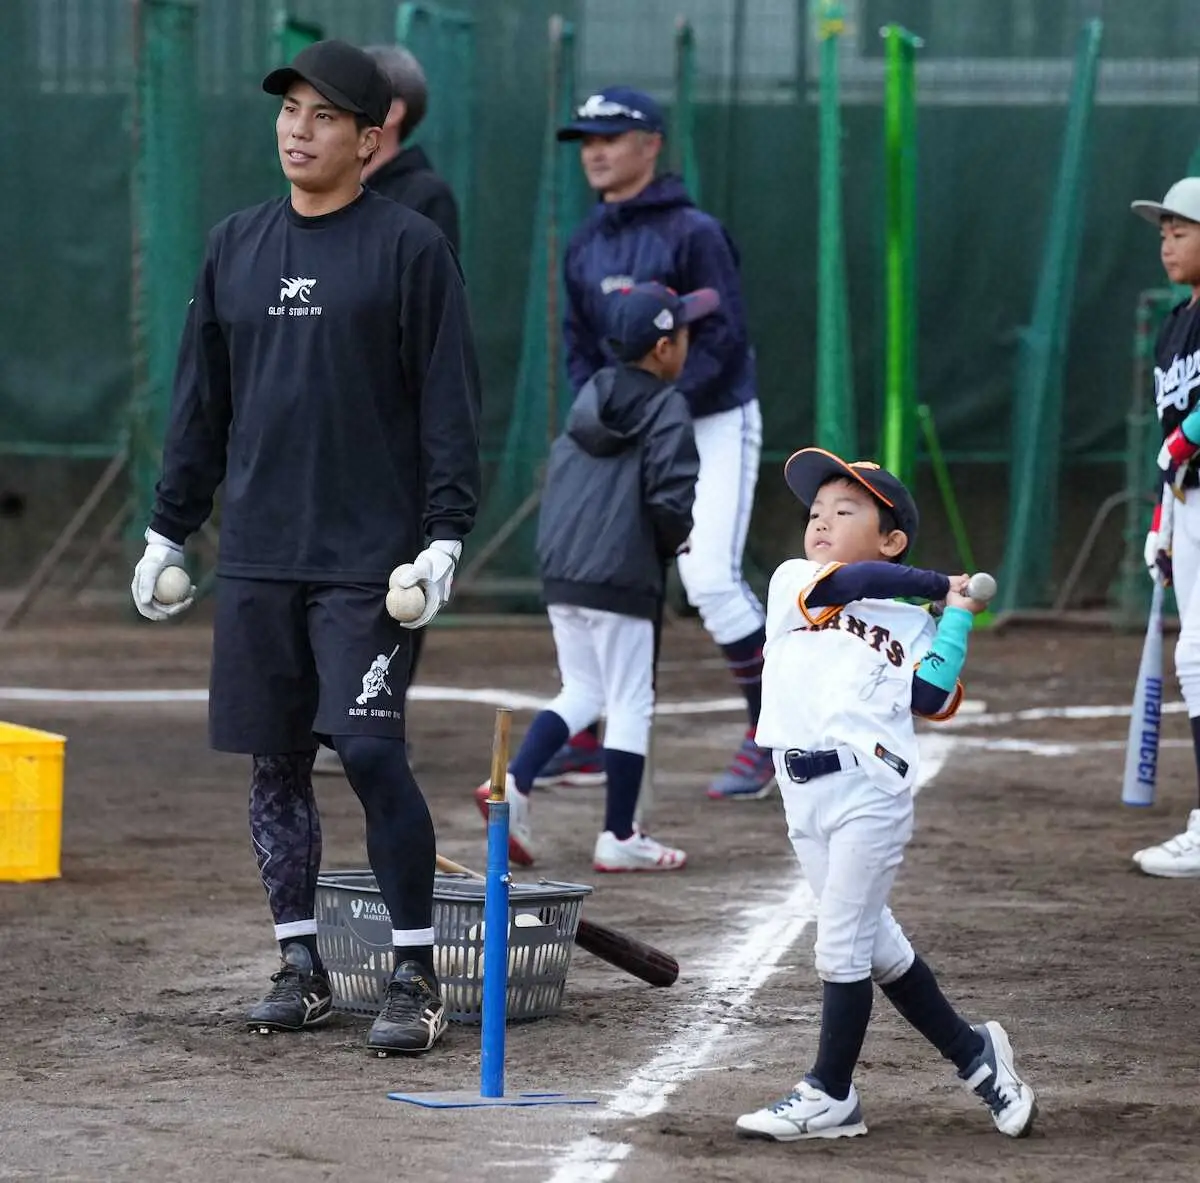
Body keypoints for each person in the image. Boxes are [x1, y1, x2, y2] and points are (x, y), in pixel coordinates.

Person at [128, 40, 482, 1056]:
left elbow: (449, 404)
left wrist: (446, 536)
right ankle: (302, 963)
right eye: (290, 109)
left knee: (368, 748)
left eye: (326, 116)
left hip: (371, 564)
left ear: (371, 140)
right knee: (274, 763)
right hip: (258, 557)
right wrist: (167, 525)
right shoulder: (235, 244)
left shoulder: (410, 248)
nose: (298, 127)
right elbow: (202, 403)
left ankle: (414, 974)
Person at [734, 449, 1036, 1142]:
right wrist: (942, 580)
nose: (821, 522)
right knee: (877, 949)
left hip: (870, 790)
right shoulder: (796, 581)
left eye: (845, 511)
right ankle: (975, 1054)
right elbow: (862, 577)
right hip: (800, 792)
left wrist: (952, 614)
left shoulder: (914, 625)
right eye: (815, 512)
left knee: (839, 945)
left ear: (892, 535)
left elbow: (932, 695)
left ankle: (830, 1092)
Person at [540, 86, 771, 801]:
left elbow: (723, 337)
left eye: (611, 137)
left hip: (711, 418)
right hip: (623, 429)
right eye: (587, 140)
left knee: (708, 580)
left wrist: (655, 408)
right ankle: (588, 731)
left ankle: (775, 732)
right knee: (612, 575)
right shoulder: (584, 242)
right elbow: (580, 344)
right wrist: (607, 414)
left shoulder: (694, 231)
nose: (597, 151)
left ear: (651, 144)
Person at [473, 282, 704, 870]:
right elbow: (671, 497)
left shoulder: (591, 397)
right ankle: (620, 835)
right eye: (681, 332)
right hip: (620, 574)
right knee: (630, 699)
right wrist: (671, 541)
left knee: (583, 690)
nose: (688, 341)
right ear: (660, 348)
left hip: (565, 572)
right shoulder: (666, 405)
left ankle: (515, 786)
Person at [311, 43, 462, 780]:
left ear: (388, 115)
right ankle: (322, 712)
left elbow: (428, 331)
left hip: (390, 431)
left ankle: (371, 712)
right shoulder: (318, 202)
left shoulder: (422, 197)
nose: (307, 127)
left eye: (335, 106)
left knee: (392, 582)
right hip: (323, 426)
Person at [1131, 177, 1200, 878]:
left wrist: (1187, 443)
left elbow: (1184, 434)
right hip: (1188, 508)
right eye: (1162, 232)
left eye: (1181, 229)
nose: (1167, 242)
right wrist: (1162, 519)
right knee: (1196, 661)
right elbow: (1167, 433)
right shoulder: (1174, 328)